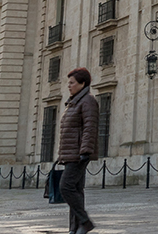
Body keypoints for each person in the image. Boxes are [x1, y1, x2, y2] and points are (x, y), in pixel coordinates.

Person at [58, 68, 98, 234]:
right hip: (71, 153)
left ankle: (85, 221)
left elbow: (90, 126)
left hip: (79, 154)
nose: (69, 86)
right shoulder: (74, 102)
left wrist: (85, 150)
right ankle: (74, 229)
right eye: (69, 83)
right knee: (76, 191)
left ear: (82, 84)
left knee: (65, 187)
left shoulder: (87, 101)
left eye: (72, 83)